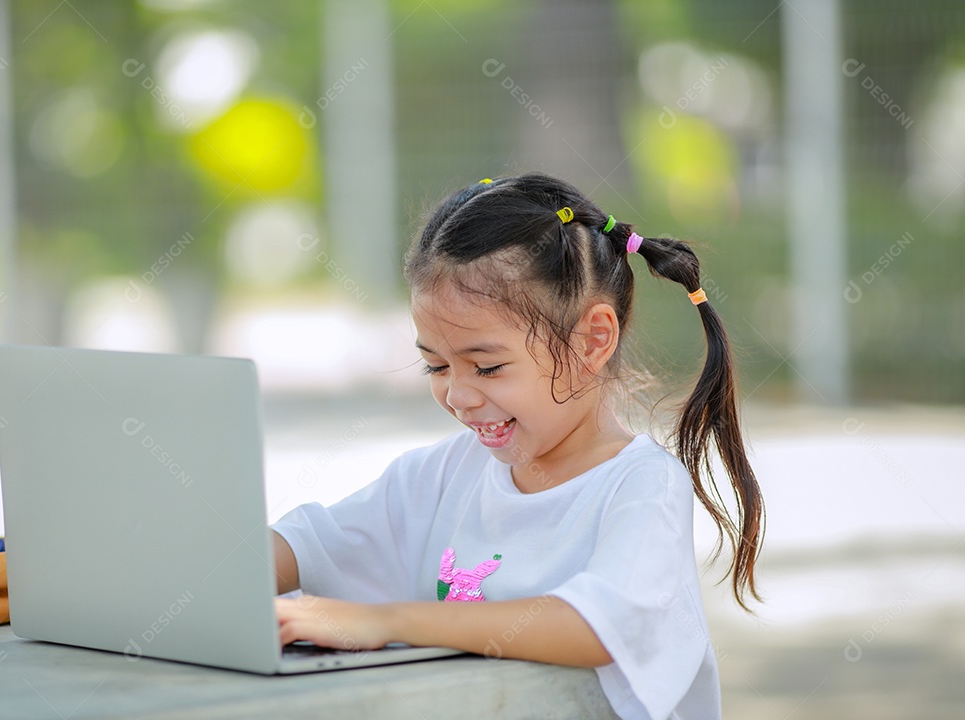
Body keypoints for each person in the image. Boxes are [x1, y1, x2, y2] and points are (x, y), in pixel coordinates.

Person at [271, 173, 764, 719]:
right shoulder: (443, 475)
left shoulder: (641, 487)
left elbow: (595, 626)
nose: (457, 395)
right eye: (435, 365)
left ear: (593, 339)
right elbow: (304, 546)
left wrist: (385, 620)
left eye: (488, 366)